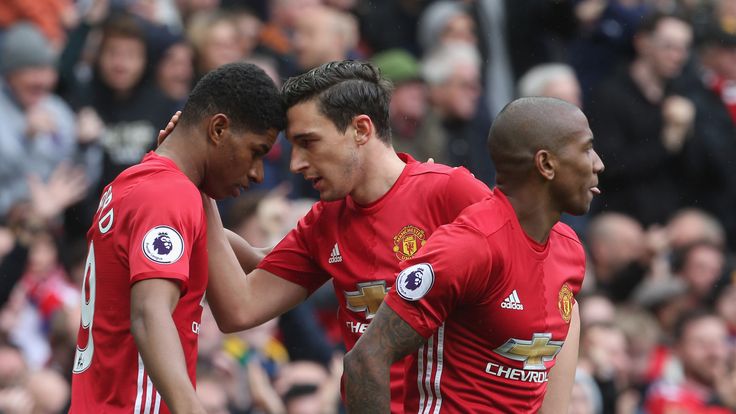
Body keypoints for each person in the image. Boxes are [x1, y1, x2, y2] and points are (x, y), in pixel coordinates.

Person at [202, 60, 492, 414]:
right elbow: (239, 308)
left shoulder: (451, 193)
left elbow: (548, 285)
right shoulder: (326, 220)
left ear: (361, 129)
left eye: (308, 142)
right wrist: (196, 190)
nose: (296, 164)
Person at [344, 97, 605, 413]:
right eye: (587, 149)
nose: (598, 164)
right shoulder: (469, 246)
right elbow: (365, 358)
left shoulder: (570, 250)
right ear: (546, 164)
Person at [68, 62, 285, 413]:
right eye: (256, 152)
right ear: (218, 129)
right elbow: (149, 312)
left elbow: (214, 245)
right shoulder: (169, 195)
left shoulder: (136, 182)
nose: (257, 173)